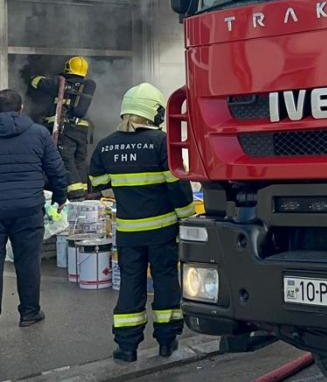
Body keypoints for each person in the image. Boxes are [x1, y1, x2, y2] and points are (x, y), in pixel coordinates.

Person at [88, 83, 194, 362]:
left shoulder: (106, 145)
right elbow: (178, 187)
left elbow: (99, 183)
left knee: (130, 285)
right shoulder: (161, 143)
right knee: (165, 281)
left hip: (128, 233)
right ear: (155, 112)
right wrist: (187, 216)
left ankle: (127, 347)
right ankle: (166, 342)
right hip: (162, 232)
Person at [0, 89, 68, 327]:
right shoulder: (38, 133)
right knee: (28, 262)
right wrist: (59, 198)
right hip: (28, 210)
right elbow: (56, 170)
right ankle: (29, 313)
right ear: (21, 109)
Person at [30, 56, 97, 200]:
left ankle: (75, 195)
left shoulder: (59, 82)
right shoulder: (86, 85)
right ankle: (84, 193)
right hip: (82, 131)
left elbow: (36, 82)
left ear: (68, 67)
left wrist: (33, 75)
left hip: (66, 129)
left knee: (66, 160)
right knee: (80, 161)